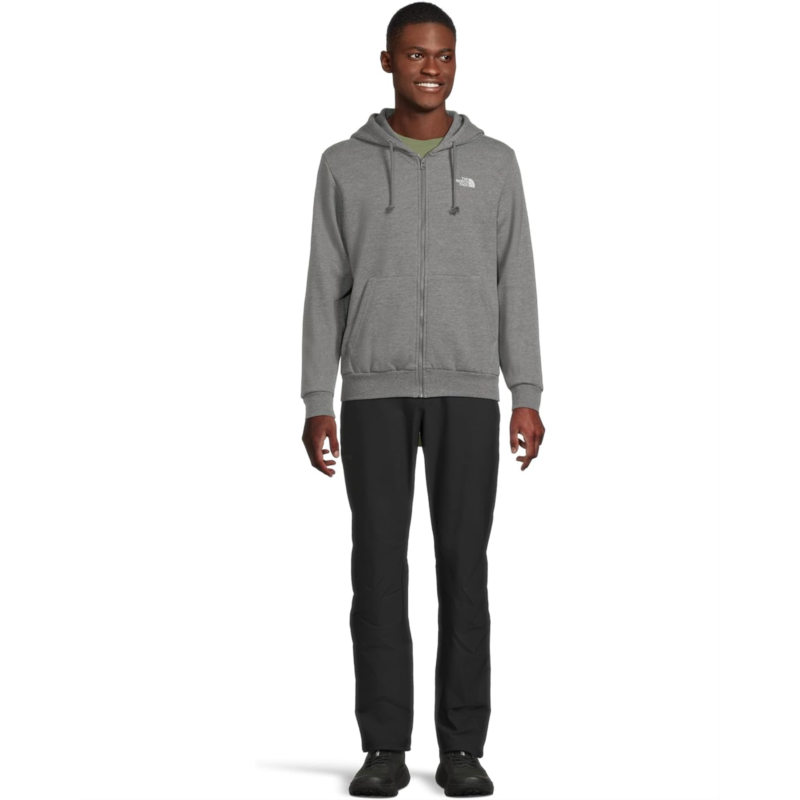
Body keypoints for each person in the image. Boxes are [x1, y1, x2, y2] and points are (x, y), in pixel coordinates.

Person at [300, 3, 545, 795]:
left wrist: (525, 389)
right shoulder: (343, 164)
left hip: (468, 390)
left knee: (463, 570)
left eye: (442, 55)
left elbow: (516, 282)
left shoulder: (496, 164)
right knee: (376, 569)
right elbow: (324, 285)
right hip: (372, 391)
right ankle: (384, 748)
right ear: (387, 62)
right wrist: (317, 397)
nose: (429, 67)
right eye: (414, 54)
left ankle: (462, 748)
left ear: (456, 62)